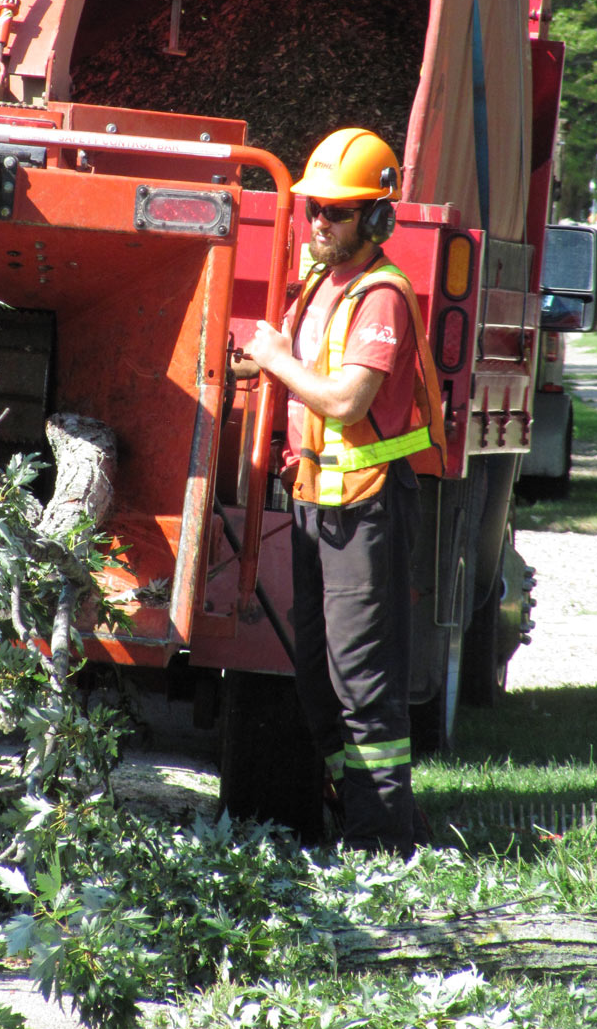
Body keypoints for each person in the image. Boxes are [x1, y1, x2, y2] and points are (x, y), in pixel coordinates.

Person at [243, 128, 446, 857]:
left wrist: (274, 358)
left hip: (366, 507)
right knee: (317, 680)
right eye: (313, 209)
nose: (318, 221)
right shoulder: (319, 284)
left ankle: (378, 850)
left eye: (336, 211)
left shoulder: (380, 295)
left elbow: (345, 400)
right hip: (316, 503)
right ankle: (367, 822)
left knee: (362, 684)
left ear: (377, 217)